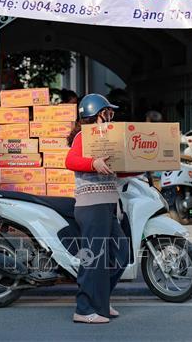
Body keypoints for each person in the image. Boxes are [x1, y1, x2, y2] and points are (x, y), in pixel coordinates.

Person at [65, 93, 130, 324]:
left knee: (121, 254)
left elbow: (117, 169)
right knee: (93, 259)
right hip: (91, 206)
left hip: (107, 205)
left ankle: (100, 299)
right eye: (107, 113)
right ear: (96, 114)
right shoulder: (84, 137)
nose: (111, 116)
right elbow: (70, 161)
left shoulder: (107, 139)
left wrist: (141, 163)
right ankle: (84, 309)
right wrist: (93, 163)